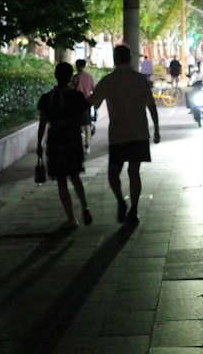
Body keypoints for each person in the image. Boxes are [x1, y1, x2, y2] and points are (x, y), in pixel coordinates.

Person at [88, 44, 161, 226]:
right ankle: (134, 209)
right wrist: (156, 129)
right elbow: (151, 105)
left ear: (115, 58)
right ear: (130, 58)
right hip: (138, 132)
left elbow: (92, 101)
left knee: (113, 172)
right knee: (134, 172)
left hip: (118, 134)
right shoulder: (139, 80)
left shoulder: (108, 81)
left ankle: (121, 201)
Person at [38, 62, 93, 229]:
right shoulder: (77, 97)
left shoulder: (47, 98)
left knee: (61, 181)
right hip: (72, 138)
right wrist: (85, 143)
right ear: (71, 77)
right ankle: (85, 206)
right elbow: (84, 121)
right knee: (75, 176)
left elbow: (42, 124)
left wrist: (39, 144)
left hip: (55, 140)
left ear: (56, 76)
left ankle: (71, 218)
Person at [72, 59, 96, 136]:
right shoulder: (89, 77)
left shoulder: (75, 77)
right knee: (87, 121)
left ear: (76, 66)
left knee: (77, 120)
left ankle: (79, 136)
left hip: (77, 102)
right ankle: (87, 141)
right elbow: (93, 89)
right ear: (84, 66)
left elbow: (72, 89)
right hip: (87, 101)